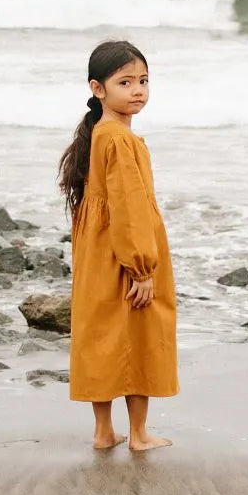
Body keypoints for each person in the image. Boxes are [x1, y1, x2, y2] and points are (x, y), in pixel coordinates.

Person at [58, 40, 178, 451]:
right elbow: (128, 208)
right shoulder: (118, 139)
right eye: (125, 82)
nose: (138, 90)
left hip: (98, 252)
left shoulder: (102, 134)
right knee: (138, 335)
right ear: (98, 88)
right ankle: (140, 434)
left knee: (102, 334)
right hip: (122, 253)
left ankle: (104, 431)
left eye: (143, 80)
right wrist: (142, 269)